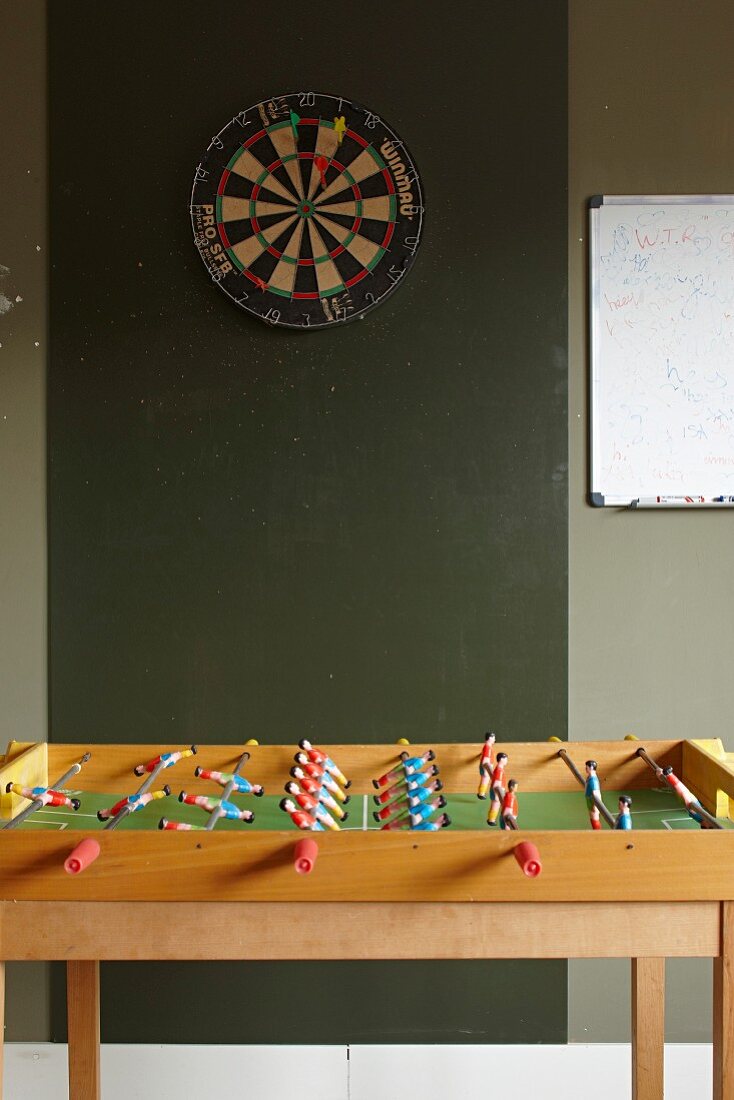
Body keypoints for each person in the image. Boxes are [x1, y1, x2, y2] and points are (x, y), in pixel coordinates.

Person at [487, 753, 508, 825]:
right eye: (506, 759)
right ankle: (491, 820)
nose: (507, 761)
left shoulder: (499, 768)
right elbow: (496, 784)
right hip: (497, 792)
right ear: (501, 759)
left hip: (496, 791)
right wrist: (499, 793)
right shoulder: (499, 770)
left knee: (495, 805)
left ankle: (491, 819)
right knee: (495, 806)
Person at [585, 760, 602, 830]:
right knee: (592, 817)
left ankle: (598, 833)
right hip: (589, 800)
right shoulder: (590, 777)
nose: (585, 769)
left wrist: (595, 805)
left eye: (587, 767)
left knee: (595, 818)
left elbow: (596, 794)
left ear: (591, 767)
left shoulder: (593, 780)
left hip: (592, 801)